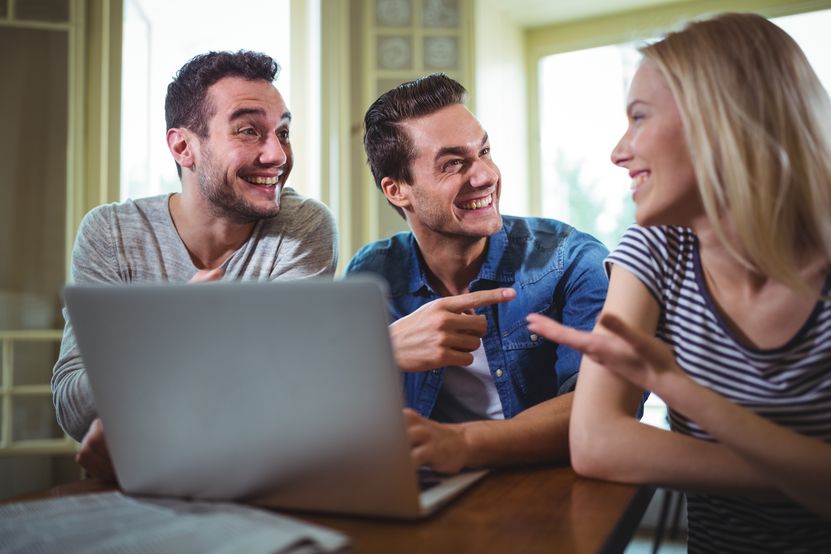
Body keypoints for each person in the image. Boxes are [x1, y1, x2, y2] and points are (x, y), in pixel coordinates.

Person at [526, 13, 831, 552]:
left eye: (639, 118)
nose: (619, 152)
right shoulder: (656, 251)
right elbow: (596, 443)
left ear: (723, 119)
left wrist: (681, 388)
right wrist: (805, 475)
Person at [52, 50, 338, 481]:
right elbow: (73, 410)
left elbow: (287, 397)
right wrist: (172, 334)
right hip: (131, 491)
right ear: (183, 147)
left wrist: (146, 400)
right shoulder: (110, 232)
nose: (277, 154)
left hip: (262, 482)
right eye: (249, 131)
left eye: (283, 132)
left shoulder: (304, 226)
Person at [347, 74, 609, 474]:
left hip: (549, 484)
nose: (486, 175)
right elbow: (342, 415)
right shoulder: (371, 275)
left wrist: (463, 444)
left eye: (484, 151)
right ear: (397, 190)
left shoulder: (571, 259)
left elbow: (604, 406)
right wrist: (381, 348)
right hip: (427, 488)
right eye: (454, 163)